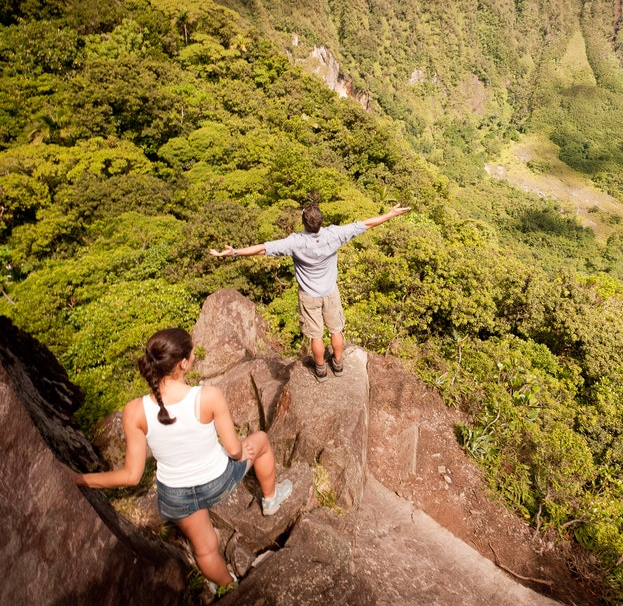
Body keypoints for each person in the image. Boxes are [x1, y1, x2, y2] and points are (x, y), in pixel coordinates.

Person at [71, 328, 292, 592]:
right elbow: (234, 450)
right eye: (192, 353)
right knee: (261, 441)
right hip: (216, 482)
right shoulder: (208, 396)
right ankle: (270, 500)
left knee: (205, 549)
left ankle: (227, 587)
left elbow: (131, 476)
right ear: (183, 364)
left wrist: (80, 479)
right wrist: (243, 454)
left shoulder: (134, 411)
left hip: (176, 498)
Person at [210, 203, 412, 381]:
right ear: (321, 221)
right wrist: (390, 214)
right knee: (336, 330)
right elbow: (366, 224)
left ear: (304, 223)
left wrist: (234, 252)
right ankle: (339, 364)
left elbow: (263, 249)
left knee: (316, 336)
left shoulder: (295, 242)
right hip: (330, 292)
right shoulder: (335, 234)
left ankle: (321, 370)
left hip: (309, 295)